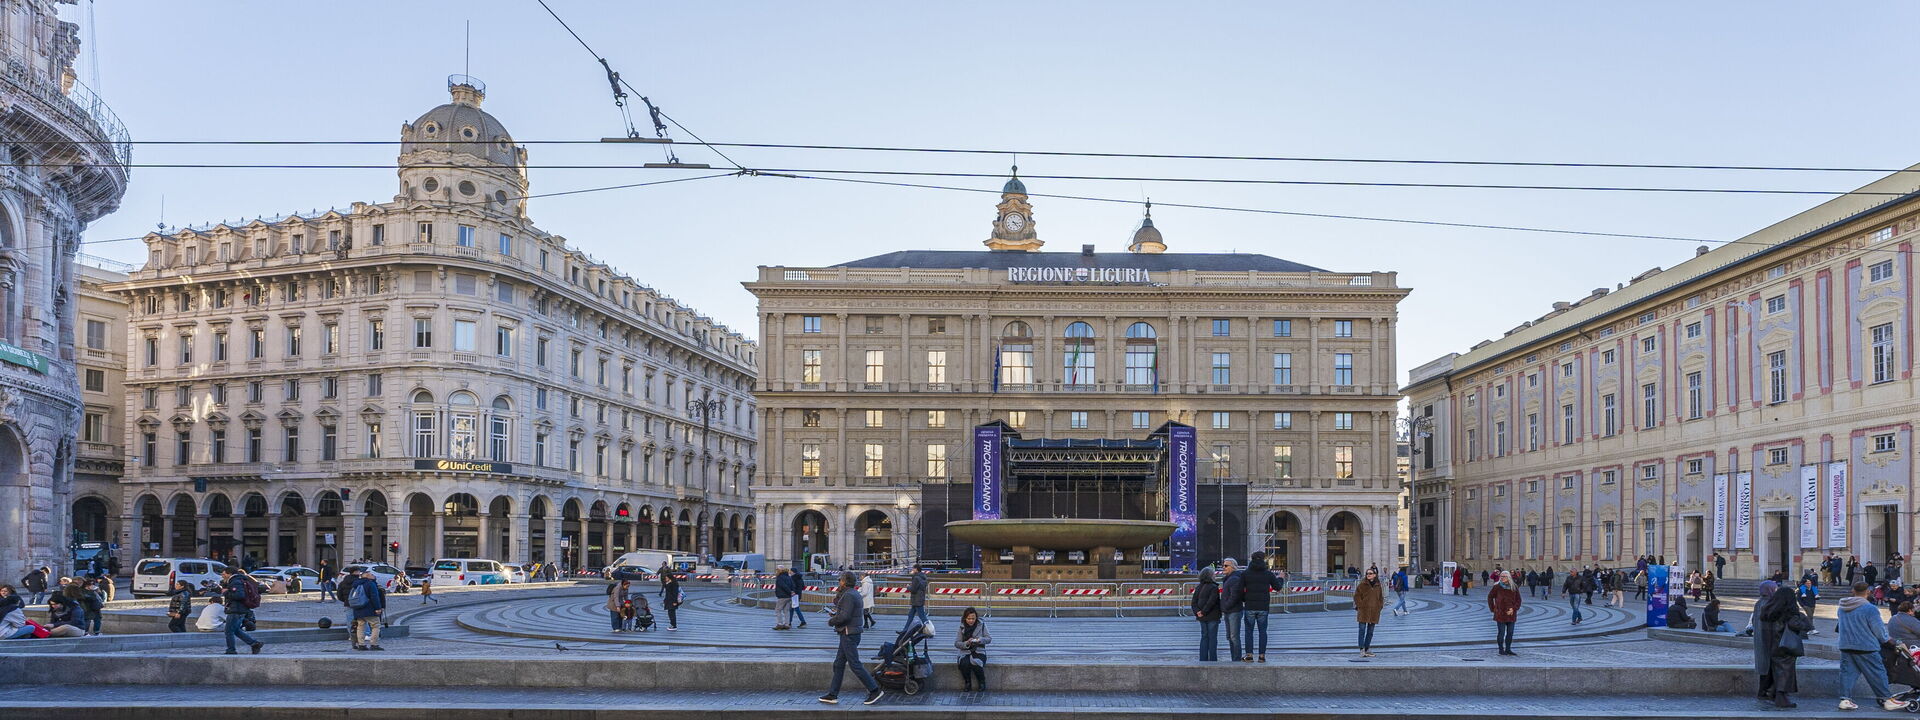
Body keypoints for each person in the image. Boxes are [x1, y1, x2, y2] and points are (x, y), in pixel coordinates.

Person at [1838, 581, 1909, 711]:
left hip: (1846, 645)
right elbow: (1879, 631)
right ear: (1868, 592)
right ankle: (1886, 699)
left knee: (1847, 673)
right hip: (1866, 646)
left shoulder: (1842, 607)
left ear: (1853, 591)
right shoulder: (1870, 608)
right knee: (1878, 672)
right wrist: (1889, 641)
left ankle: (1845, 700)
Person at [819, 572, 883, 706]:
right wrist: (837, 613)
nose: (839, 582)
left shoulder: (848, 595)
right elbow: (846, 612)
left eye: (840, 580)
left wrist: (832, 620)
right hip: (849, 632)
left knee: (855, 664)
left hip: (849, 633)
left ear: (844, 581)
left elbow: (845, 617)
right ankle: (832, 694)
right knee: (838, 664)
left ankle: (874, 690)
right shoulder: (853, 593)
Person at [1755, 578, 1811, 708]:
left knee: (1777, 671)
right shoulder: (1789, 613)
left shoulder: (1768, 610)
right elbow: (1803, 626)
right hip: (1785, 646)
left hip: (1772, 645)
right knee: (1785, 673)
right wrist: (1801, 617)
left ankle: (1773, 693)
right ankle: (1781, 698)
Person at [1236, 551, 1284, 663]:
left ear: (1252, 559)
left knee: (1249, 631)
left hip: (1250, 606)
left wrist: (1245, 599)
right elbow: (1277, 587)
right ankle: (1262, 656)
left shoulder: (1245, 574)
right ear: (1263, 559)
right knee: (1263, 631)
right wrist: (1280, 578)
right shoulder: (1268, 574)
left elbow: (1239, 590)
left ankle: (1249, 655)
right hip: (1263, 606)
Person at [217, 568, 263, 655]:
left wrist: (226, 592)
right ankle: (254, 644)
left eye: (223, 574)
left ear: (229, 574)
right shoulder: (238, 580)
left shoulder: (235, 582)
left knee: (229, 631)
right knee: (236, 630)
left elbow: (239, 595)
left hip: (236, 609)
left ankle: (231, 650)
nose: (222, 576)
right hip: (239, 609)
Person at [346, 567, 386, 651]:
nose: (373, 575)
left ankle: (361, 645)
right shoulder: (370, 584)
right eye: (371, 574)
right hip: (369, 608)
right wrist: (378, 608)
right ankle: (374, 644)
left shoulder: (356, 584)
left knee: (360, 626)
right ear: (367, 576)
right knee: (376, 625)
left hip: (358, 608)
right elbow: (374, 597)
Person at [954, 606, 991, 692]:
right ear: (965, 618)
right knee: (964, 663)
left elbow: (989, 639)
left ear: (976, 618)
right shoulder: (962, 627)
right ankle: (967, 682)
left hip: (979, 651)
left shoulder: (982, 625)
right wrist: (966, 643)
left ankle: (982, 682)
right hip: (965, 651)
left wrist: (979, 640)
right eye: (969, 618)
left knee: (976, 662)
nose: (971, 621)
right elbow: (956, 643)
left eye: (973, 618)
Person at [1191, 567, 1222, 661]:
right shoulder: (1214, 587)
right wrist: (1203, 612)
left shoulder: (1199, 587)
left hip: (1202, 617)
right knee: (1212, 638)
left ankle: (1203, 658)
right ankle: (1213, 659)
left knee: (1204, 637)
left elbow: (1193, 602)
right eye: (1214, 574)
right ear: (1211, 576)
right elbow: (1211, 602)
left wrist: (1198, 612)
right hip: (1212, 616)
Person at [1488, 571, 1520, 656]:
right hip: (1500, 613)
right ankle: (1501, 649)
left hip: (1511, 614)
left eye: (1504, 576)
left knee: (1510, 632)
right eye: (1501, 576)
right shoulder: (1497, 587)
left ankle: (1508, 649)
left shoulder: (1514, 587)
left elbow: (1518, 600)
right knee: (1501, 632)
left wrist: (1514, 609)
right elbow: (1490, 597)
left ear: (1508, 577)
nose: (1502, 578)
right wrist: (1493, 608)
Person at [1354, 567, 1384, 658]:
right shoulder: (1362, 585)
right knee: (1362, 630)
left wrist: (1379, 607)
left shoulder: (1378, 585)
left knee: (1370, 632)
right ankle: (1361, 649)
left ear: (1374, 575)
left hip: (1374, 611)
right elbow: (1356, 596)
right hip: (1363, 611)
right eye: (1367, 573)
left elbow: (1380, 598)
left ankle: (1367, 648)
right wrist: (1360, 605)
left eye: (1370, 573)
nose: (1368, 575)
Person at [1218, 558, 1243, 663]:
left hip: (1234, 611)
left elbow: (1235, 596)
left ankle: (1236, 659)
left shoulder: (1234, 579)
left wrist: (1226, 606)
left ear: (1233, 567)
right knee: (1230, 637)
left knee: (1234, 637)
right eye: (1223, 565)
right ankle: (1234, 658)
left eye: (1226, 566)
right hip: (1229, 611)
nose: (1223, 567)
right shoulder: (1229, 578)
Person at [904, 566, 930, 633]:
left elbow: (913, 589)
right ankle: (905, 630)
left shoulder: (916, 578)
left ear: (916, 569)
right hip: (920, 599)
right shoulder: (923, 577)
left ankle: (930, 630)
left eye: (913, 568)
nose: (912, 569)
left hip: (916, 600)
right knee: (911, 616)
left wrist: (908, 587)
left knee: (922, 617)